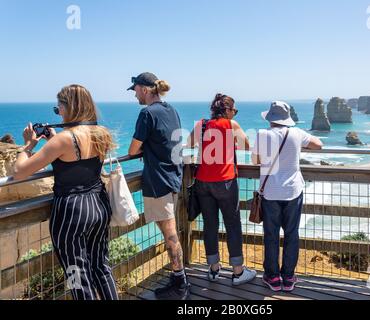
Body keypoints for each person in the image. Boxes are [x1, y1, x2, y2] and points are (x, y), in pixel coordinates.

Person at [13, 85, 118, 300]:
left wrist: (27, 146)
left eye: (58, 107)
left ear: (69, 107)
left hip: (72, 213)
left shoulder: (64, 140)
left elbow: (20, 172)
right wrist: (55, 138)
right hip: (98, 205)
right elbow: (77, 159)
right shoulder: (101, 134)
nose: (58, 112)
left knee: (77, 274)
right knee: (100, 266)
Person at [127, 72, 191, 300]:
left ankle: (180, 284)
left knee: (170, 233)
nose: (135, 95)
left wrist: (144, 150)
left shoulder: (146, 114)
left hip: (158, 181)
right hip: (173, 177)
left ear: (144, 89)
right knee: (170, 232)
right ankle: (179, 279)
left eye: (135, 90)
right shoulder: (171, 110)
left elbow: (133, 150)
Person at [251, 101, 323, 292]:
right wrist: (298, 148)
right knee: (291, 234)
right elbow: (319, 145)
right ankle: (289, 277)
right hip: (293, 191)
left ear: (270, 118)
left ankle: (273, 277)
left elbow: (256, 160)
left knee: (271, 235)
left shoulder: (262, 135)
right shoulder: (297, 133)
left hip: (271, 192)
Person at [187, 93, 257, 286]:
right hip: (225, 182)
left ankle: (214, 269)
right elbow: (247, 145)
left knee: (210, 224)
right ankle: (237, 272)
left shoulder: (201, 125)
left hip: (202, 182)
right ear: (226, 110)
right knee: (232, 225)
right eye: (234, 110)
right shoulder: (231, 125)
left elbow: (188, 143)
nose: (234, 114)